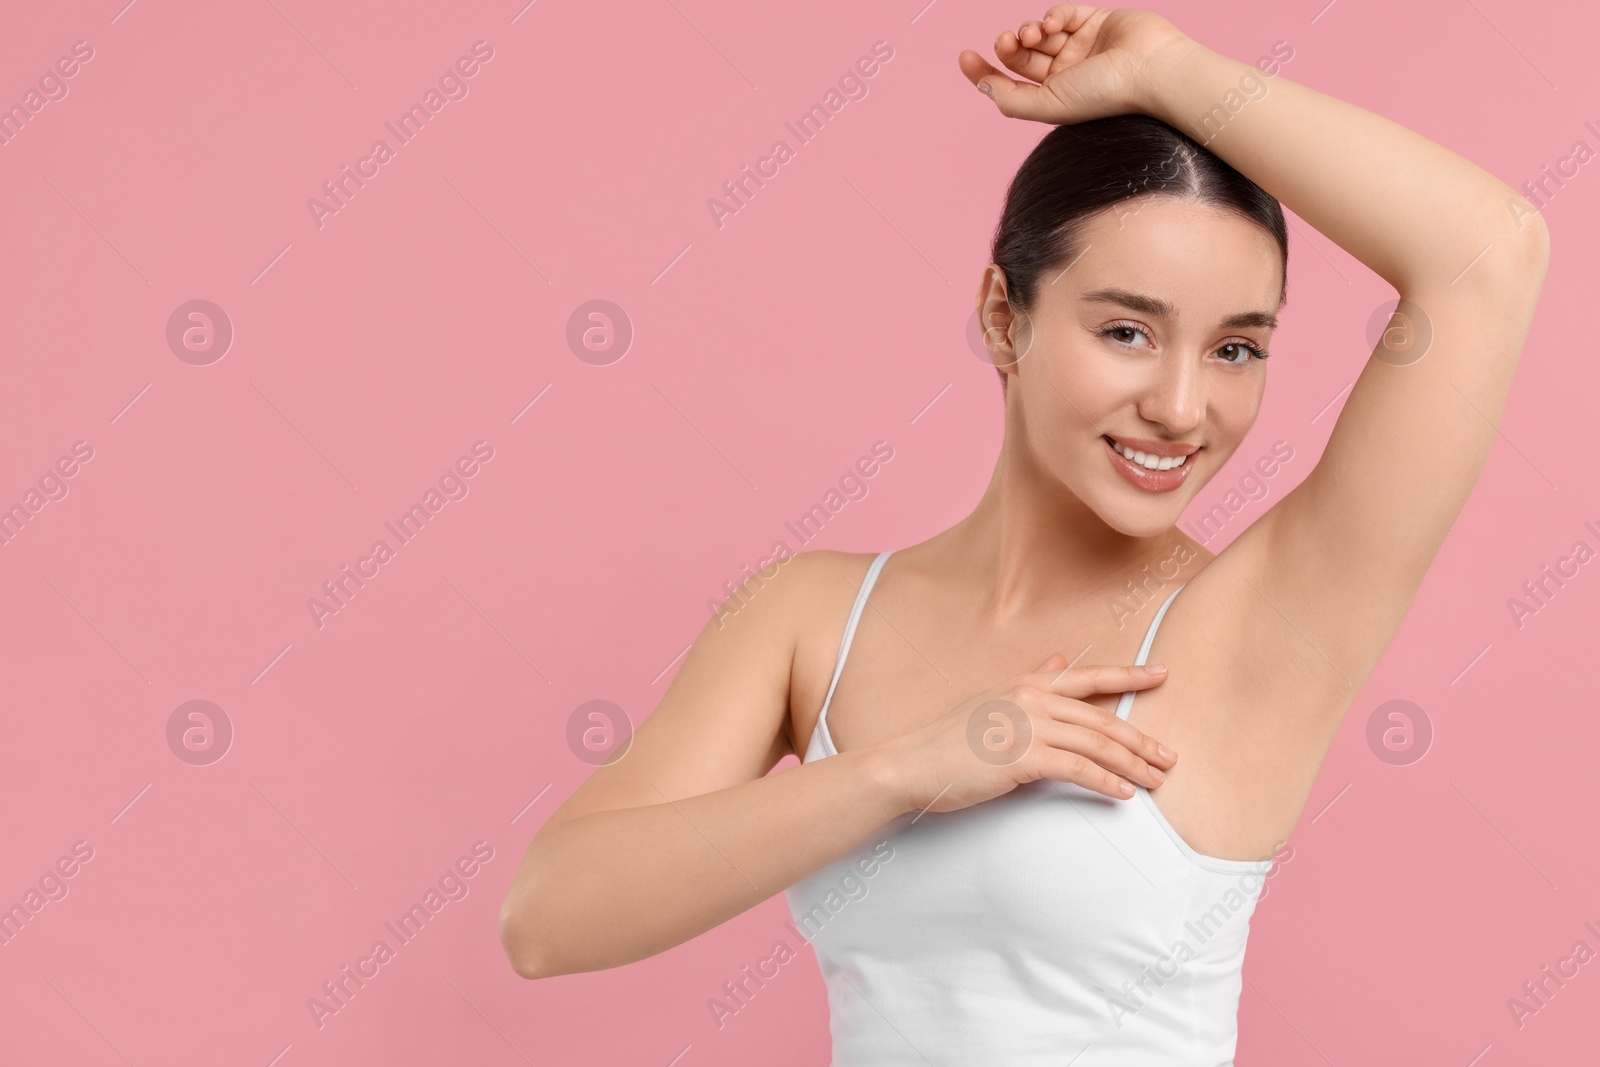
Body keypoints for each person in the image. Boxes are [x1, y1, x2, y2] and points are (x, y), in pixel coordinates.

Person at [498, 5, 1550, 1063]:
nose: (1182, 406)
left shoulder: (1260, 623)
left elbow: (1488, 255)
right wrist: (911, 765)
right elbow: (548, 916)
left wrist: (1173, 72)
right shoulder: (810, 615)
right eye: (1126, 331)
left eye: (1236, 349)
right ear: (1005, 317)